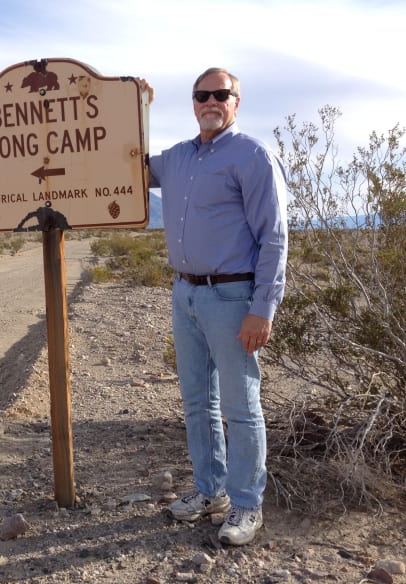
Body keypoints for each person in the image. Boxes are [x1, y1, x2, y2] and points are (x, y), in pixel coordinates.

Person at [142, 68, 288, 546]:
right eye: (202, 94)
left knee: (241, 407)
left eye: (220, 94)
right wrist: (135, 108)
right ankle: (211, 492)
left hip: (232, 297)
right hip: (184, 293)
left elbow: (274, 237)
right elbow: (127, 166)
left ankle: (247, 505)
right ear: (192, 102)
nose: (210, 101)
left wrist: (262, 308)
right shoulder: (178, 158)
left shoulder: (252, 156)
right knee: (196, 402)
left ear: (236, 102)